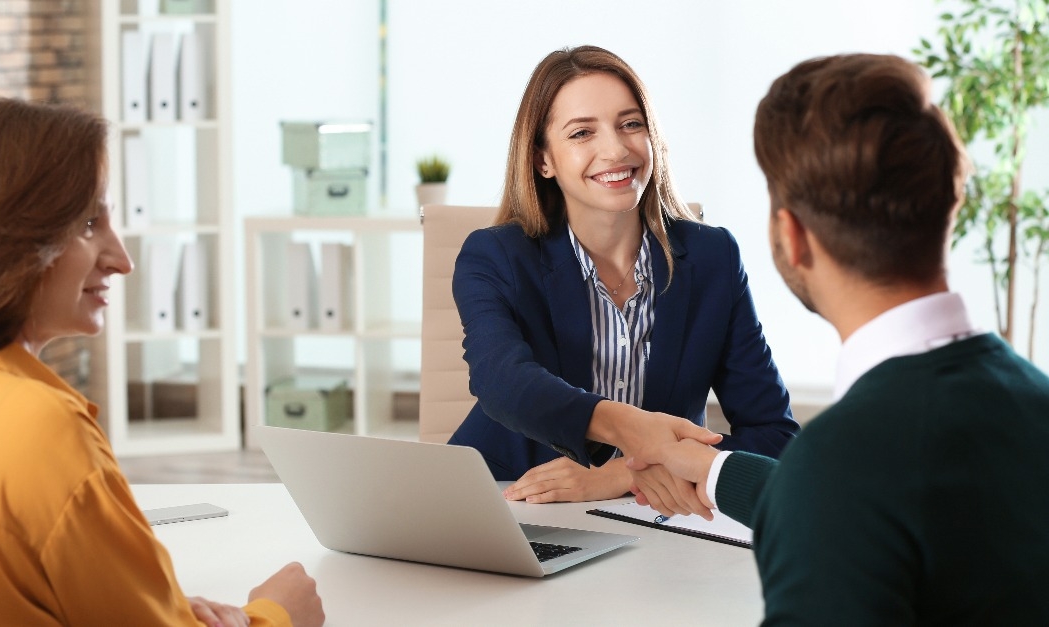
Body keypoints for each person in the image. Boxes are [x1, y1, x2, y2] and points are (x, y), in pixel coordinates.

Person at [0, 98, 325, 627]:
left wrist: (161, 606)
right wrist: (276, 615)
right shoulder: (42, 429)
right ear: (8, 239)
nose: (122, 260)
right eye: (89, 223)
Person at [633, 53, 1049, 622]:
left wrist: (811, 488)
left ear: (793, 236)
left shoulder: (843, 468)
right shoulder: (1031, 400)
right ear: (948, 205)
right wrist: (714, 471)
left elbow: (850, 494)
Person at [447, 45, 798, 505]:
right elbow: (503, 381)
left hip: (651, 515)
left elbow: (774, 435)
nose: (614, 149)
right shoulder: (495, 256)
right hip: (507, 500)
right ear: (542, 160)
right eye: (581, 133)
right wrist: (629, 426)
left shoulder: (713, 257)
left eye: (631, 124)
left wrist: (621, 475)